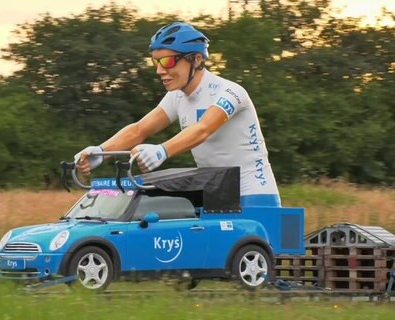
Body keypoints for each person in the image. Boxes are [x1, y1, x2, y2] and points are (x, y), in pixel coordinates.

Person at [75, 21, 280, 207]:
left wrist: (162, 151)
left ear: (196, 59)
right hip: (216, 192)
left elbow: (203, 129)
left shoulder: (230, 92)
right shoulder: (178, 97)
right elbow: (140, 129)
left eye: (168, 61)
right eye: (155, 62)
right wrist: (102, 151)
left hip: (254, 193)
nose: (159, 70)